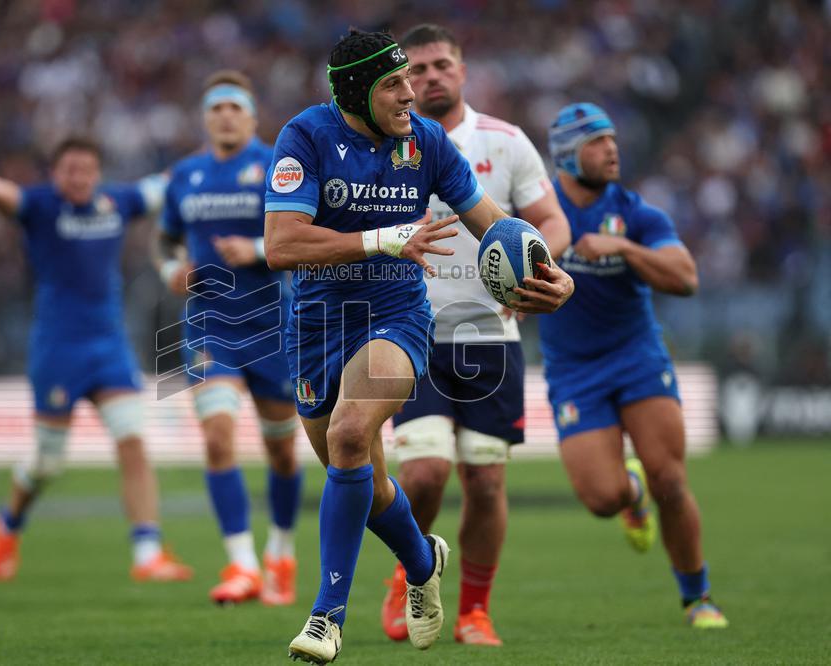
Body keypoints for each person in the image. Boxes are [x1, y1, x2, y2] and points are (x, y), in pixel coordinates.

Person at [264, 29, 574, 663]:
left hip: (398, 316)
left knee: (352, 435)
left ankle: (326, 618)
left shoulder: (426, 142)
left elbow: (494, 223)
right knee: (364, 480)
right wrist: (385, 237)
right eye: (394, 84)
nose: (412, 94)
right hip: (318, 326)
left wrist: (549, 271)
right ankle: (420, 559)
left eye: (412, 79)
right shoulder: (305, 137)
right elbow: (281, 245)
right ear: (356, 92)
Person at [373, 23, 572, 647]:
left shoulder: (505, 143)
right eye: (417, 70)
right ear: (401, 81)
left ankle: (474, 612)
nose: (429, 77)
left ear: (462, 71)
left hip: (490, 331)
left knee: (485, 480)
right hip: (410, 329)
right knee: (427, 473)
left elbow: (550, 222)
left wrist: (545, 272)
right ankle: (409, 573)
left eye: (441, 65)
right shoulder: (381, 143)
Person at [0, 122, 192, 584]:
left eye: (87, 170)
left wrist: (217, 156)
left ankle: (147, 553)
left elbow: (172, 181)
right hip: (58, 350)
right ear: (55, 173)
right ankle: (8, 523)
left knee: (133, 442)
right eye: (70, 170)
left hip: (110, 347)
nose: (78, 178)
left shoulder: (118, 201)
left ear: (98, 174)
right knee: (48, 461)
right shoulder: (38, 205)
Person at [541, 102, 729, 629]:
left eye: (612, 139)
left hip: (637, 356)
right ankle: (632, 493)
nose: (611, 149)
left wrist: (622, 247)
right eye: (596, 142)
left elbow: (686, 277)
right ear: (565, 154)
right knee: (602, 498)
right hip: (574, 370)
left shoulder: (638, 212)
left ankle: (698, 597)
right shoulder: (536, 211)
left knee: (671, 477)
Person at [155, 71, 302, 606]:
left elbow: (305, 233)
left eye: (234, 107)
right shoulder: (186, 175)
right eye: (215, 107)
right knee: (217, 436)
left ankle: (280, 552)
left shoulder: (277, 168)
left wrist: (260, 251)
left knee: (282, 454)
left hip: (274, 328)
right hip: (209, 324)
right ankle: (241, 566)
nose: (224, 115)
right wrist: (171, 268)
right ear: (204, 117)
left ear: (252, 116)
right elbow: (165, 239)